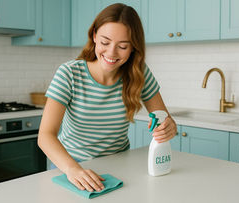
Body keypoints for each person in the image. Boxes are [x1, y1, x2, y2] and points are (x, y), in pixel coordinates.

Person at [38, 3, 177, 193]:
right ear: (94, 36)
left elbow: (165, 119)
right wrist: (73, 169)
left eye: (122, 46)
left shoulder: (139, 74)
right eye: (105, 42)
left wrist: (168, 128)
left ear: (133, 48)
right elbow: (45, 136)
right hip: (70, 166)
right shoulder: (69, 73)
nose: (111, 53)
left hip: (119, 165)